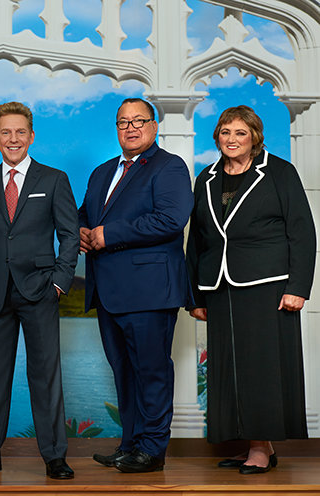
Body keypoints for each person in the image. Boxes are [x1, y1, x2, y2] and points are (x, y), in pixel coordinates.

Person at [0, 102, 79, 480]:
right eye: (5, 132)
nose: (13, 138)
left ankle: (55, 456)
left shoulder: (54, 179)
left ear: (31, 136)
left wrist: (59, 281)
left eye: (20, 131)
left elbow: (70, 235)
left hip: (40, 290)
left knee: (46, 375)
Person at [186, 105, 315, 474]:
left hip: (267, 286)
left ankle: (260, 447)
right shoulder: (206, 177)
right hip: (219, 286)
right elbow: (197, 240)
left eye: (240, 133)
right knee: (228, 369)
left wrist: (298, 287)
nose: (232, 139)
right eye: (226, 132)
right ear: (217, 137)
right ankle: (253, 445)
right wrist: (195, 295)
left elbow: (302, 232)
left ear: (255, 137)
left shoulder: (279, 172)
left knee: (261, 368)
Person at [79, 98, 193, 473]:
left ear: (154, 126)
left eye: (138, 121)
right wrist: (80, 231)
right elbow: (85, 215)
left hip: (149, 291)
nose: (130, 128)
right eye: (123, 122)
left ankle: (152, 450)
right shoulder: (102, 172)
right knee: (124, 373)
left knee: (152, 372)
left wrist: (108, 234)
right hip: (108, 291)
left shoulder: (169, 166)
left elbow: (171, 219)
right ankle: (130, 445)